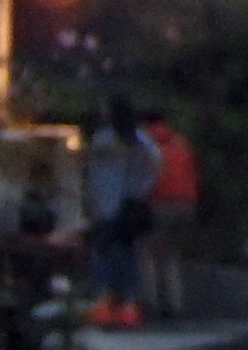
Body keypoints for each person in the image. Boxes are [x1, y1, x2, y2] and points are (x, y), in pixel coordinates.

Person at [83, 96, 161, 329]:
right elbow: (155, 163)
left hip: (109, 205)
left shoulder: (104, 138)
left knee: (104, 253)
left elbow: (94, 172)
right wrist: (141, 189)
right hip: (125, 204)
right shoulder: (139, 139)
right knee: (126, 254)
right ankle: (127, 302)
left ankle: (108, 301)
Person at [141, 113, 203, 320]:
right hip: (186, 204)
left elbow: (146, 178)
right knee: (171, 255)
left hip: (160, 203)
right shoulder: (182, 143)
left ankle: (152, 303)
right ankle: (175, 304)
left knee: (148, 254)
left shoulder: (148, 145)